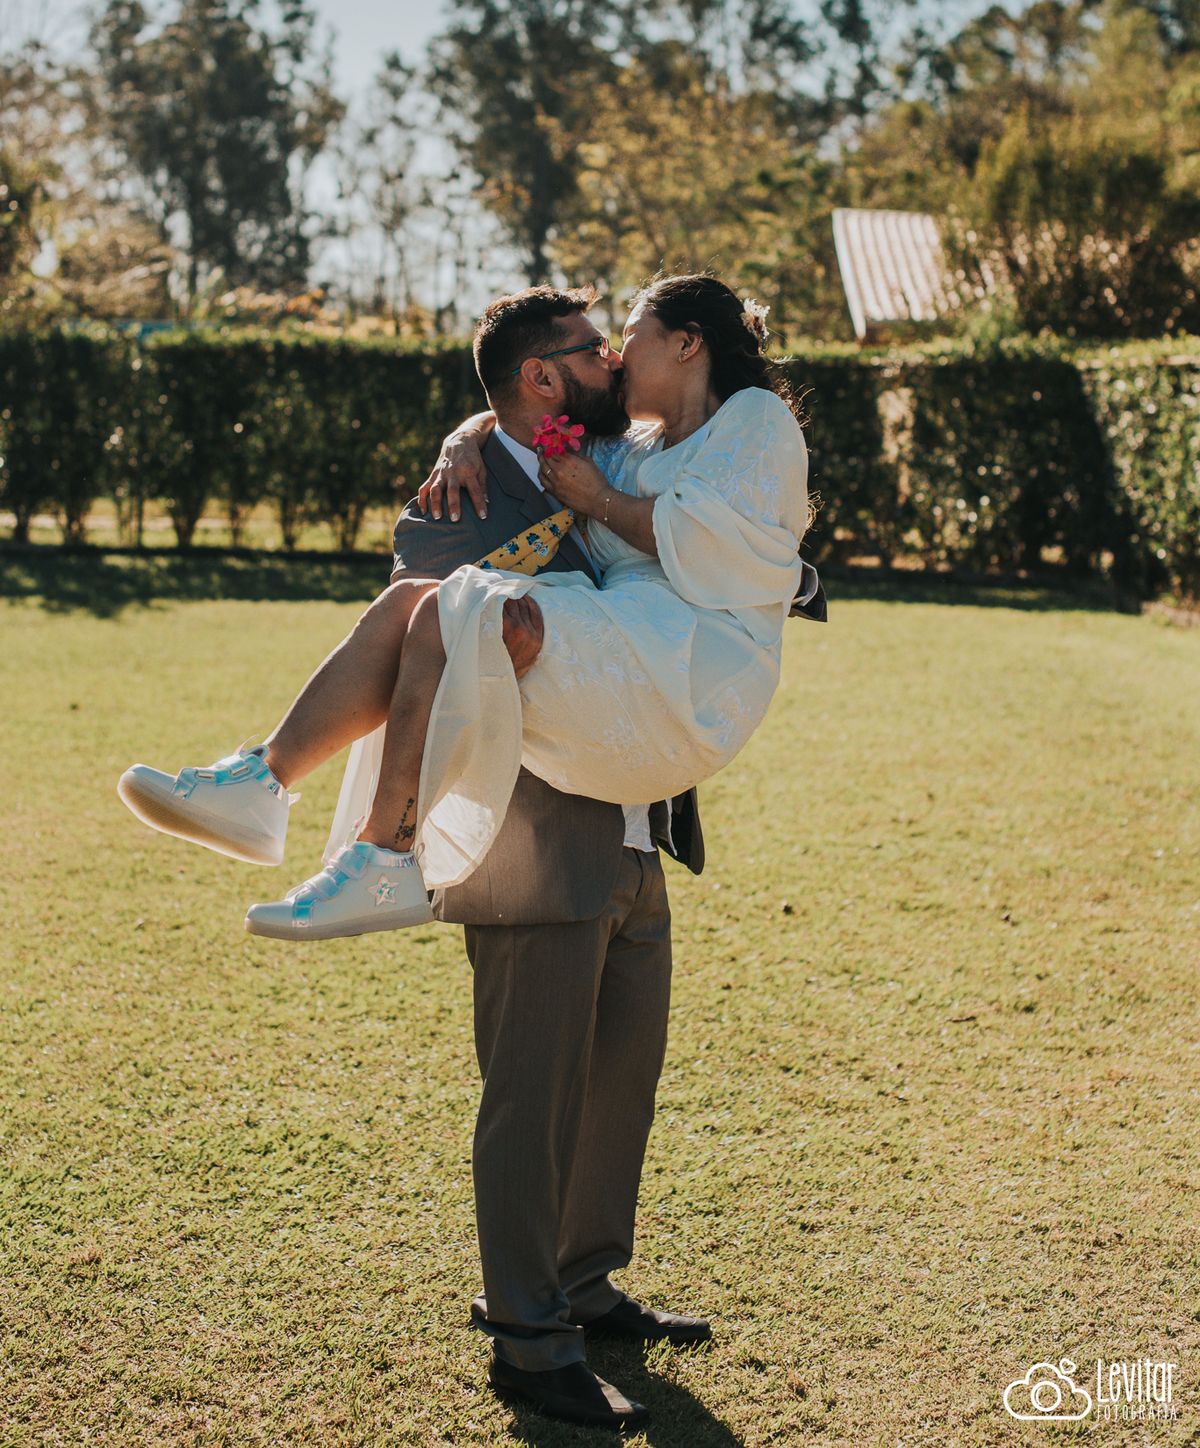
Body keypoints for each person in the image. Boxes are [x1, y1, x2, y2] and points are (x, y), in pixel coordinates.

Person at [118, 273, 814, 1429]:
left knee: (619, 1076)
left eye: (618, 342)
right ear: (541, 380)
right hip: (532, 831)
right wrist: (472, 441)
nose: (611, 362)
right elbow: (428, 616)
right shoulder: (468, 491)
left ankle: (585, 1283)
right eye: (590, 349)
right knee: (532, 1090)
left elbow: (677, 510)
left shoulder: (619, 448)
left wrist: (487, 428)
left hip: (636, 815)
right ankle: (530, 1336)